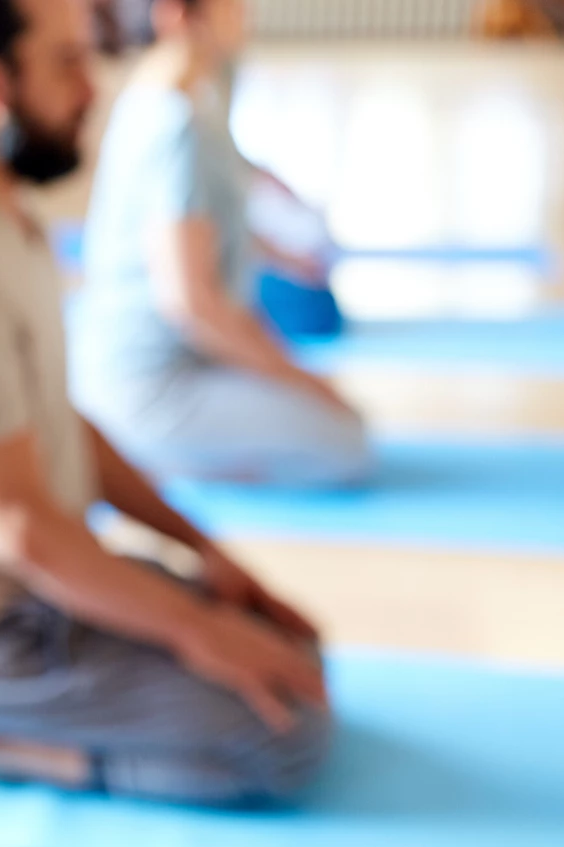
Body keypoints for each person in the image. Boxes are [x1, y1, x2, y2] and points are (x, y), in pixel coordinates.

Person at [0, 0, 332, 806]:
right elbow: (17, 528)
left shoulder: (5, 206)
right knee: (284, 738)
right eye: (68, 63)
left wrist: (204, 551)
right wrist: (195, 629)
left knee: (294, 653)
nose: (94, 87)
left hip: (43, 580)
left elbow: (58, 422)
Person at [70, 0, 372, 486]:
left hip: (172, 364)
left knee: (337, 419)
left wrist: (284, 256)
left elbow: (207, 218)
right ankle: (150, 460)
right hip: (147, 387)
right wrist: (304, 380)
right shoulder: (174, 124)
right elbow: (190, 303)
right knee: (346, 441)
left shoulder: (179, 97)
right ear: (178, 15)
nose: (245, 11)